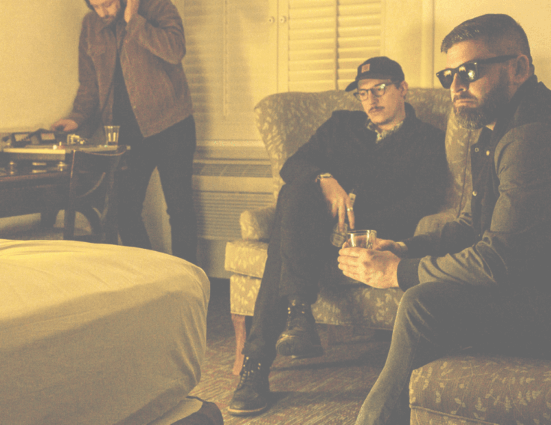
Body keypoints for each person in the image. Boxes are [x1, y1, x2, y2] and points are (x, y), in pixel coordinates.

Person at [338, 14, 551, 425]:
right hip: (530, 283)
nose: (456, 86)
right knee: (425, 298)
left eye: (470, 71)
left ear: (519, 68)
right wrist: (405, 247)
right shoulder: (492, 129)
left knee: (423, 305)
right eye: (448, 75)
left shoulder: (531, 135)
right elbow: (471, 225)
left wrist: (398, 271)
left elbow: (498, 260)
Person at [228, 56, 449, 417]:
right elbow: (293, 165)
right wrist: (325, 179)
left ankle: (261, 359)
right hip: (314, 231)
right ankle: (297, 313)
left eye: (380, 89)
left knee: (282, 248)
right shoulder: (340, 125)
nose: (371, 100)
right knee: (295, 191)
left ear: (402, 89)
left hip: (368, 239)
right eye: (363, 93)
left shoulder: (428, 139)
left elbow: (421, 203)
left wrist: (357, 221)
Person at [52, 0, 198, 264]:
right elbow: (89, 84)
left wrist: (135, 21)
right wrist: (76, 118)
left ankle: (189, 279)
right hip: (127, 136)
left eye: (107, 4)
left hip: (171, 125)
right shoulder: (90, 25)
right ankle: (153, 274)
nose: (102, 13)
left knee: (180, 211)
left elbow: (175, 50)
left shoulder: (158, 7)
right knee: (123, 212)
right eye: (95, 6)